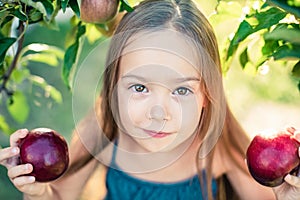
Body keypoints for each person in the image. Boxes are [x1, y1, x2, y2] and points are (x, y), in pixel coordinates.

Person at [1, 0, 300, 199]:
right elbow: (59, 195)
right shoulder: (106, 128)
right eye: (140, 88)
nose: (159, 113)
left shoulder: (213, 146)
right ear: (113, 88)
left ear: (207, 94)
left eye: (181, 90)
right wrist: (38, 191)